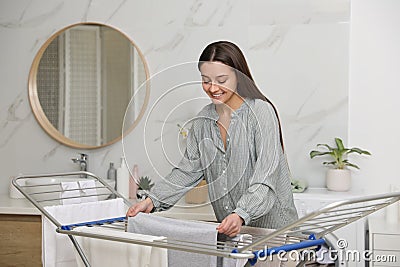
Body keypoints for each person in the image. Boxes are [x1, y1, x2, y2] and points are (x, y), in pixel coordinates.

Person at [127, 41, 298, 237]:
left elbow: (266, 177)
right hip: (233, 233)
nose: (212, 87)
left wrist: (241, 214)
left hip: (275, 233)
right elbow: (186, 171)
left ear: (238, 76)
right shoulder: (202, 122)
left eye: (222, 79)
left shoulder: (260, 112)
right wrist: (151, 201)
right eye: (206, 80)